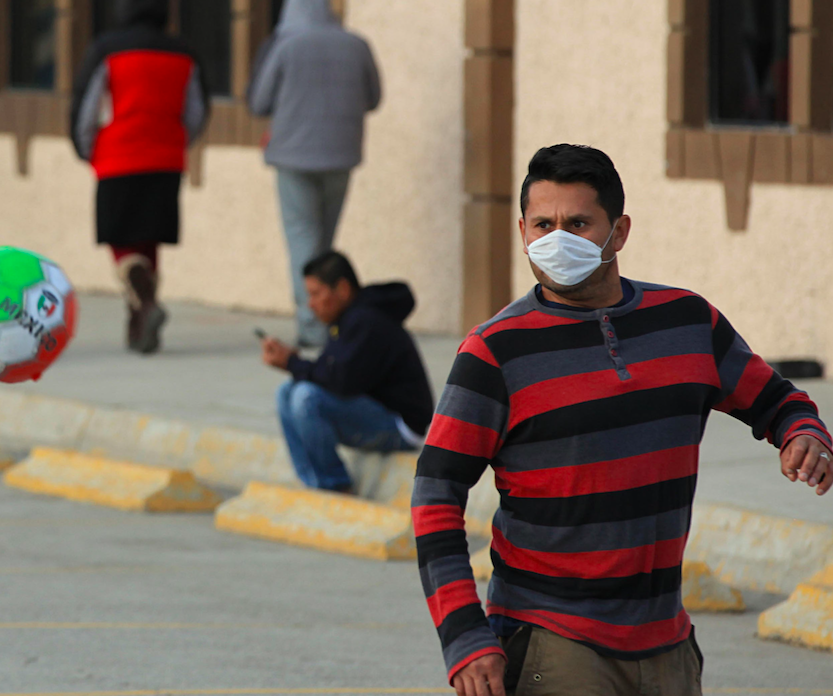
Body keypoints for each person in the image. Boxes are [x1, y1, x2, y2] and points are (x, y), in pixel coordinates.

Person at [414, 144, 833, 696]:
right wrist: (465, 636)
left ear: (620, 231)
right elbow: (435, 495)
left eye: (578, 223)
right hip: (551, 642)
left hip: (669, 648)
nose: (557, 239)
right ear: (522, 231)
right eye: (543, 224)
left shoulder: (688, 322)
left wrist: (804, 435)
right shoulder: (494, 353)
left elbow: (779, 401)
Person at [69, 0, 209, 354]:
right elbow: (196, 111)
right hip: (166, 157)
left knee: (122, 243)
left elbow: (86, 106)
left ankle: (145, 306)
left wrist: (87, 148)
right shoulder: (185, 52)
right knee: (149, 239)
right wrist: (177, 142)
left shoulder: (106, 49)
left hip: (118, 155)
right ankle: (139, 325)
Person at [248, 0, 381, 347]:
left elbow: (259, 101)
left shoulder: (285, 45)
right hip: (341, 154)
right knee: (324, 240)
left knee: (302, 240)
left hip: (293, 157)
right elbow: (373, 98)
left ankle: (312, 325)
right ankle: (332, 314)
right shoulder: (356, 44)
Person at [262, 251, 434, 493]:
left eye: (316, 294)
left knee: (306, 397)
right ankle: (312, 480)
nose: (311, 304)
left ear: (342, 289)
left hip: (401, 426)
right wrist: (293, 362)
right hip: (374, 410)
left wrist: (292, 364)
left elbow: (339, 381)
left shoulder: (366, 321)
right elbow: (332, 371)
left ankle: (333, 485)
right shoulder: (347, 319)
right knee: (286, 392)